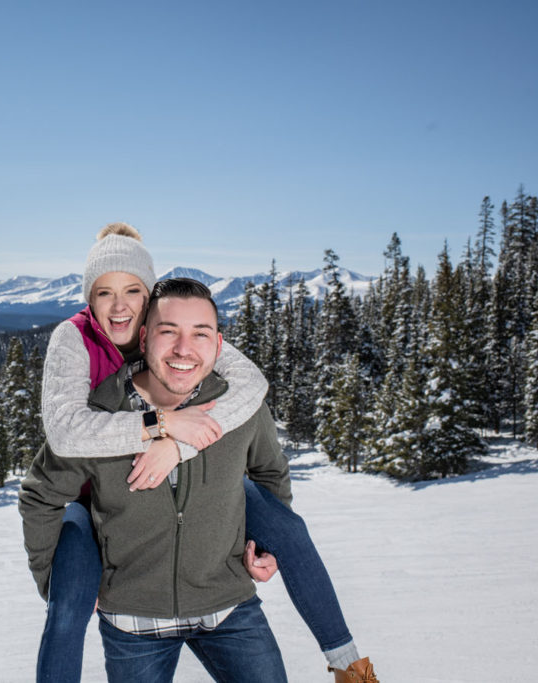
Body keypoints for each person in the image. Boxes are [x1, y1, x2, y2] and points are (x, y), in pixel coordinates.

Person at [29, 224, 377, 683]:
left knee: (281, 523)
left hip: (222, 598)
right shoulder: (78, 346)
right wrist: (161, 426)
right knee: (67, 602)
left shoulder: (193, 347)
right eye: (104, 293)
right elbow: (64, 435)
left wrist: (178, 448)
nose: (120, 307)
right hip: (97, 510)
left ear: (150, 298)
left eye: (133, 290)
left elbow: (252, 393)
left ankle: (349, 665)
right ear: (89, 300)